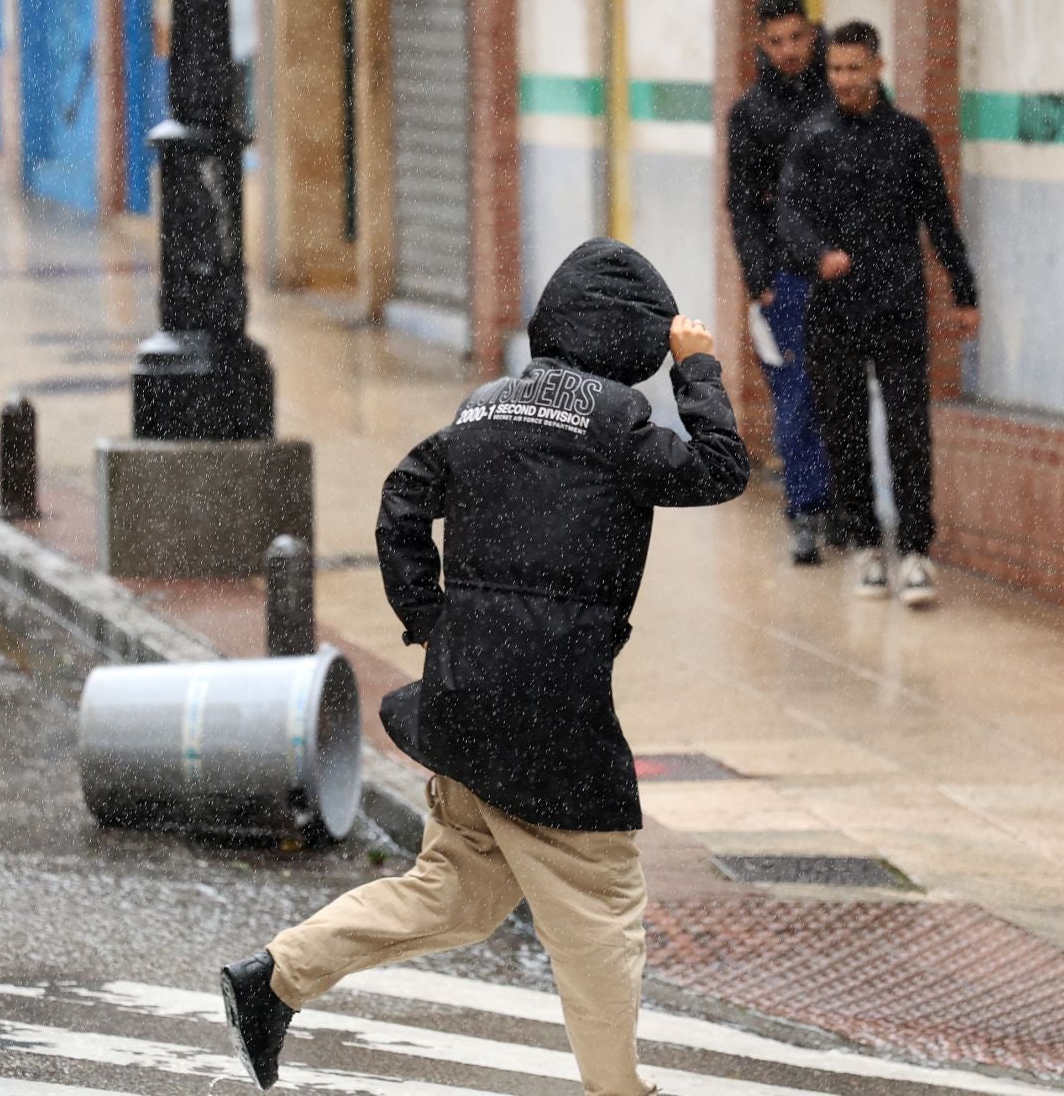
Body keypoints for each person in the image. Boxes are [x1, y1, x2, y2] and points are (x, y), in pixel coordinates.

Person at [221, 238, 750, 1094]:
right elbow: (724, 470)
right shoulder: (619, 425)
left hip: (467, 705)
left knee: (453, 892)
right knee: (602, 911)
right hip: (553, 718)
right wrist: (699, 370)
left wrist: (428, 618)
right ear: (632, 341)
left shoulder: (482, 409)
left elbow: (402, 495)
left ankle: (273, 978)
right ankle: (619, 1089)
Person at [776, 20, 979, 607]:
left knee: (909, 429)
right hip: (832, 308)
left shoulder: (910, 140)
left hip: (897, 304)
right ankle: (867, 547)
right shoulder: (811, 139)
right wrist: (818, 255)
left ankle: (915, 553)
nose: (843, 80)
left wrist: (964, 292)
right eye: (835, 70)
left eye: (853, 69)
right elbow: (788, 215)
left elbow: (939, 220)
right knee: (844, 431)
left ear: (878, 69)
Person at [726, 0, 835, 565]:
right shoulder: (750, 114)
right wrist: (758, 279)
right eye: (777, 41)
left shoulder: (838, 95)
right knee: (796, 396)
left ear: (812, 34)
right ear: (761, 45)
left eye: (797, 37)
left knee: (840, 393)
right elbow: (741, 204)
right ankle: (806, 511)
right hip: (785, 280)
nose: (789, 50)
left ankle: (843, 503)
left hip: (843, 271)